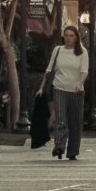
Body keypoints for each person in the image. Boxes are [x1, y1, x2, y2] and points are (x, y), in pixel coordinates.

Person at [39, 24, 89, 161]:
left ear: (76, 37)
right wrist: (42, 87)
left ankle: (72, 151)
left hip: (76, 91)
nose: (68, 38)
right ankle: (59, 146)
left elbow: (84, 71)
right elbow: (49, 69)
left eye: (71, 36)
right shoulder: (58, 50)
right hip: (59, 88)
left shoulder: (82, 52)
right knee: (61, 119)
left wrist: (80, 83)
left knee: (75, 122)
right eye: (66, 35)